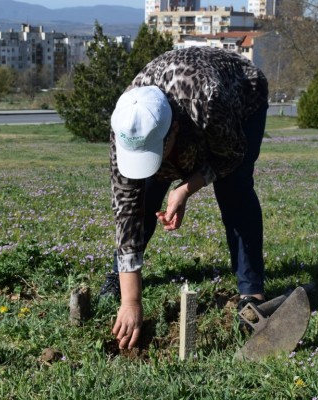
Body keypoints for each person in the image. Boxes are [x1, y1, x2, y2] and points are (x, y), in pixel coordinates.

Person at [102, 46, 269, 350]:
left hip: (243, 95)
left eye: (155, 151)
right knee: (144, 197)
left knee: (235, 191)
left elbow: (231, 155)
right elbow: (127, 212)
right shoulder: (126, 123)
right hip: (186, 105)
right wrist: (132, 300)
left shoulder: (207, 103)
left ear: (174, 131)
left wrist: (185, 188)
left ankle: (252, 292)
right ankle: (119, 276)